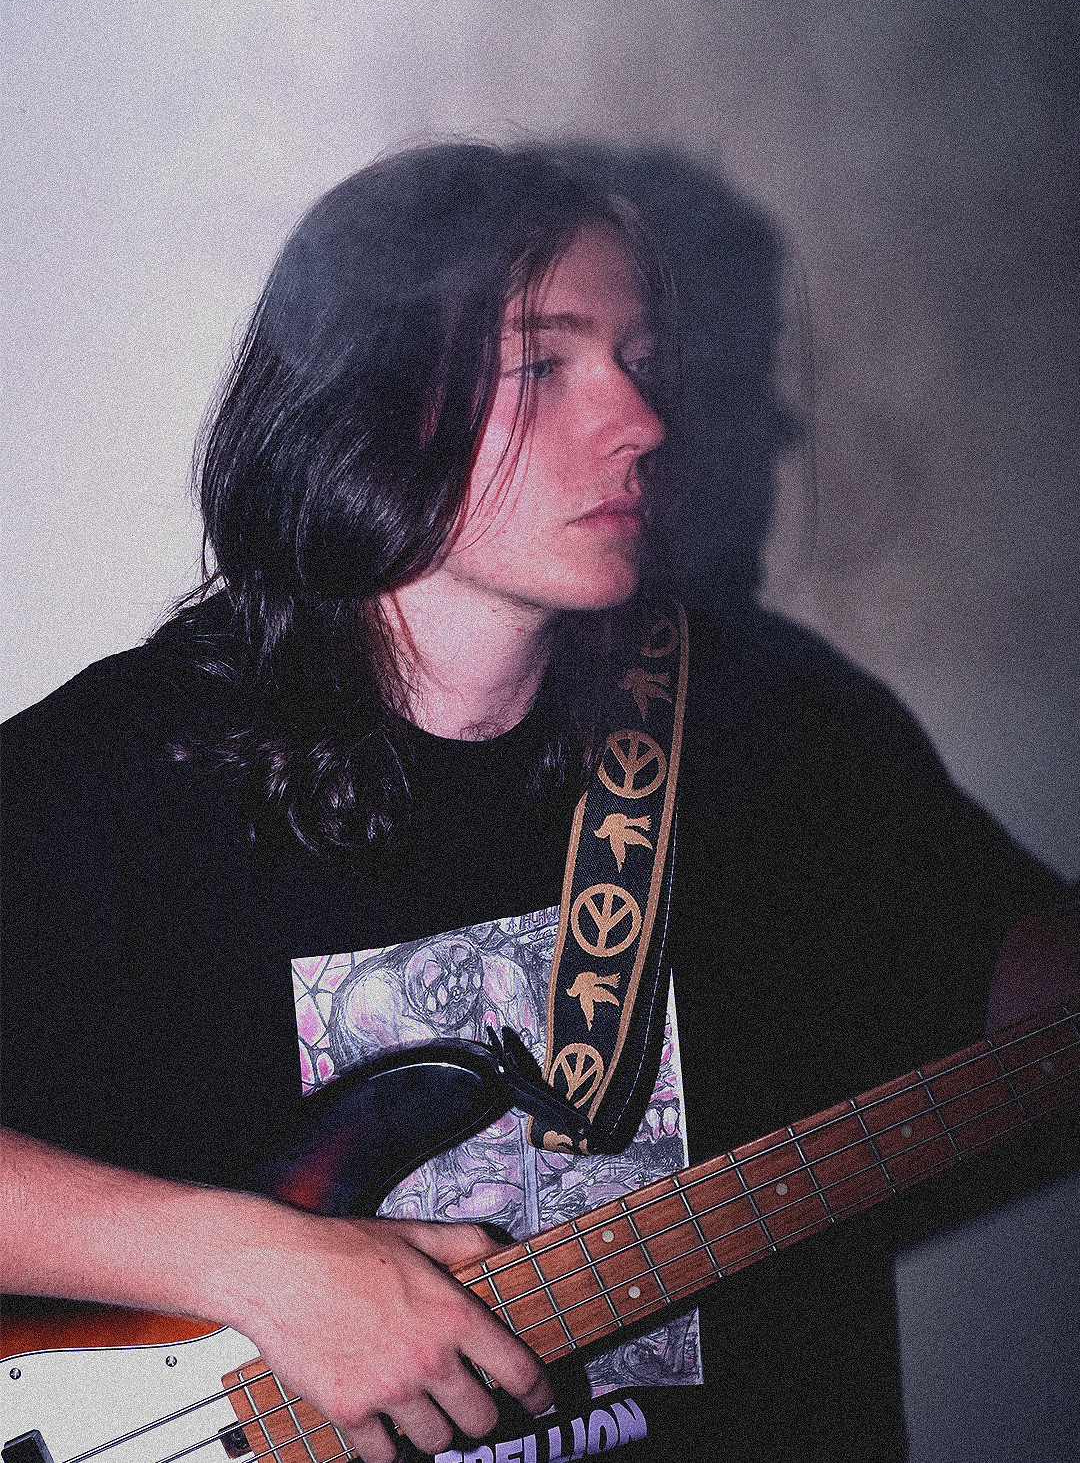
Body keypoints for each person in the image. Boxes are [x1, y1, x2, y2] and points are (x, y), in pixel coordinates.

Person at [1, 143, 1072, 1463]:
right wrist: (259, 1265)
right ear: (363, 396)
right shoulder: (118, 781)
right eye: (545, 363)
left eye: (640, 357)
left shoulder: (769, 721)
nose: (643, 421)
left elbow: (997, 969)